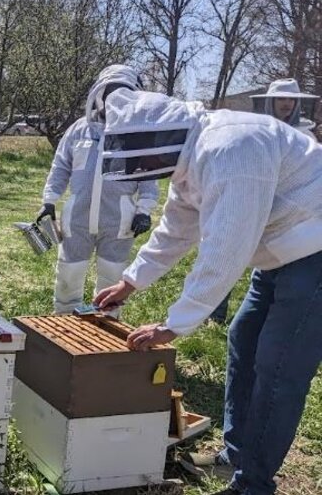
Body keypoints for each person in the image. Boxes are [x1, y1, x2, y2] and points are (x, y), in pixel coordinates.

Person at [94, 89, 322, 495]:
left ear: (161, 135)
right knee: (243, 340)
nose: (143, 166)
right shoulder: (194, 157)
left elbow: (225, 249)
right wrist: (130, 281)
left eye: (141, 155)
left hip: (314, 254)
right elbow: (176, 229)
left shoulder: (231, 149)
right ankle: (236, 456)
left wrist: (172, 326)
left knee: (277, 367)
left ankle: (252, 485)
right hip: (278, 255)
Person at [38, 65, 158, 316]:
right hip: (78, 217)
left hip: (118, 219)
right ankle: (63, 324)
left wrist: (144, 210)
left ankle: (105, 329)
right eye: (110, 92)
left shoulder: (137, 134)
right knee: (69, 273)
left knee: (112, 279)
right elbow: (60, 167)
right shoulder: (79, 129)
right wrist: (49, 201)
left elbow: (149, 177)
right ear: (99, 93)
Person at [208, 78, 321, 323]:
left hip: (284, 215)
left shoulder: (306, 136)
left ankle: (264, 315)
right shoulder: (255, 132)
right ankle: (214, 313)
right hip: (248, 202)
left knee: (265, 264)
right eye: (282, 98)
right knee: (228, 252)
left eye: (292, 99)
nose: (287, 104)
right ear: (270, 101)